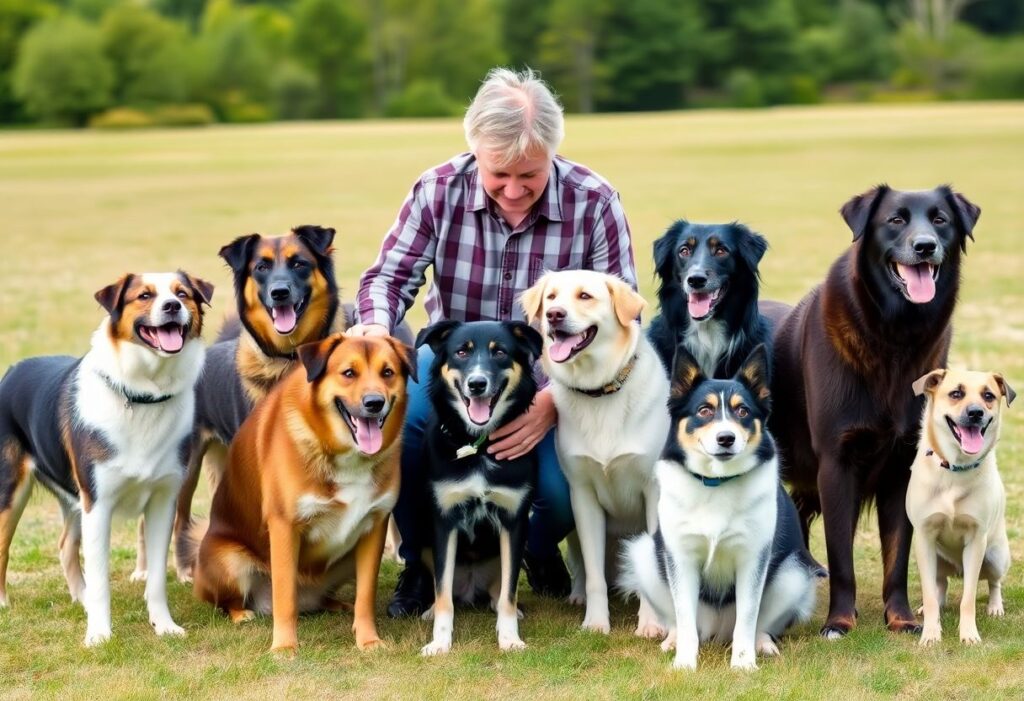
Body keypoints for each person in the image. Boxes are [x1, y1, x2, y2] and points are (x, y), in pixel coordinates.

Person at [349, 67, 637, 617]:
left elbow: (622, 318)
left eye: (529, 174)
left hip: (557, 370)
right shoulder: (437, 189)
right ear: (475, 152)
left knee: (557, 488)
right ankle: (425, 564)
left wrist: (553, 400)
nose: (513, 190)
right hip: (452, 357)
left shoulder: (595, 201)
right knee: (402, 429)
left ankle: (529, 548)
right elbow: (388, 278)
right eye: (498, 173)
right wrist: (375, 329)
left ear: (552, 151)